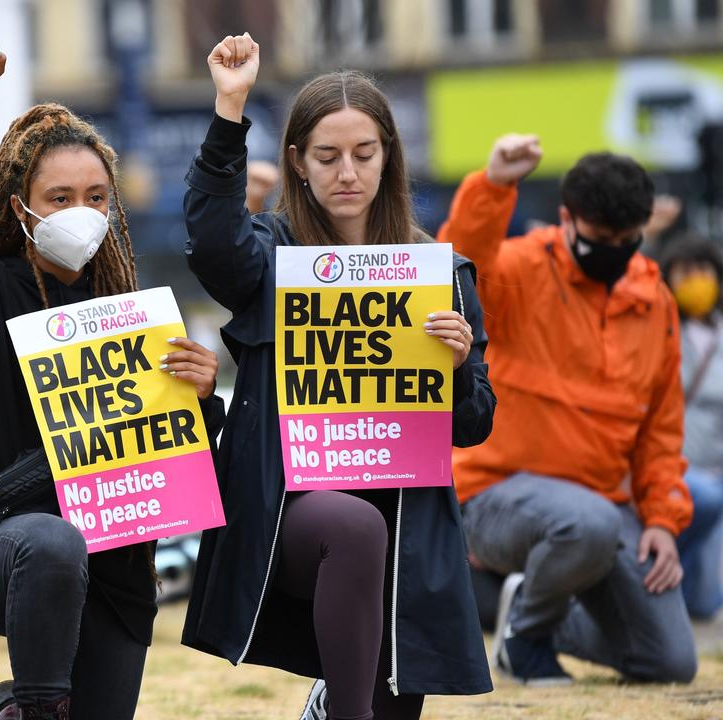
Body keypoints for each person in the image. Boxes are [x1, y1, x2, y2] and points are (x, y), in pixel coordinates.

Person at [180, 34, 496, 720]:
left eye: (363, 154)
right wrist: (229, 108)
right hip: (289, 512)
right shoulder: (272, 253)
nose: (346, 173)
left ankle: (334, 702)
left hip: (407, 524)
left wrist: (461, 361)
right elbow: (212, 243)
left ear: (389, 156)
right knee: (352, 527)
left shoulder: (438, 270)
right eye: (326, 157)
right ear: (297, 162)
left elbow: (474, 425)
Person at [0, 41, 223, 720]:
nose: (79, 211)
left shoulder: (131, 313)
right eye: (59, 197)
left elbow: (172, 457)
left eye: (95, 196)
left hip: (119, 569)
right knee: (55, 543)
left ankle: (12, 710)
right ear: (20, 204)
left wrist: (203, 401)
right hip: (17, 547)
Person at [438, 134, 697, 685]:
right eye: (602, 238)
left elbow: (661, 432)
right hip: (495, 495)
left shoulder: (656, 303)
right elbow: (457, 266)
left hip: (602, 510)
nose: (615, 249)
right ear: (565, 218)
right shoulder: (525, 268)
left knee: (669, 661)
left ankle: (536, 613)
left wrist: (663, 522)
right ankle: (524, 639)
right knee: (590, 521)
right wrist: (496, 184)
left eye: (628, 239)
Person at [659, 237, 723, 620]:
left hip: (716, 470)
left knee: (703, 601)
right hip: (675, 470)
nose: (696, 281)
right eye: (686, 273)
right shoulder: (660, 328)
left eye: (703, 272)